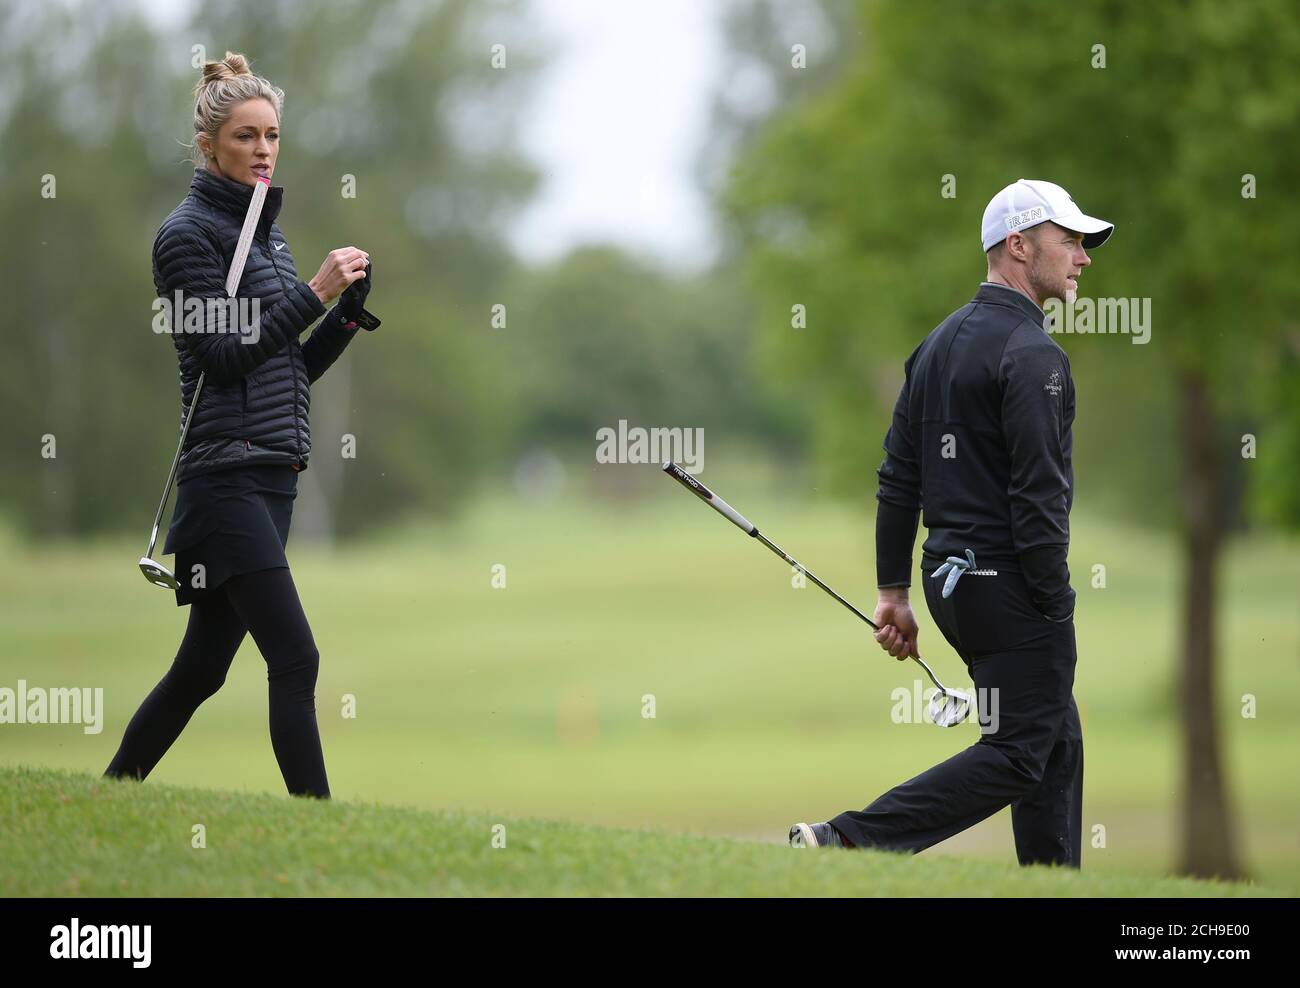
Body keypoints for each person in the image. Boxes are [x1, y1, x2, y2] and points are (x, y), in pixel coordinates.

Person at [789, 179, 1113, 867]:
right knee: (1019, 751)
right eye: (1071, 241)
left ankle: (1052, 884)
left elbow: (897, 479)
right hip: (1011, 587)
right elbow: (1039, 500)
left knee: (1054, 732)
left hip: (951, 585)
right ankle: (847, 839)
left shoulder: (935, 347)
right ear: (1019, 247)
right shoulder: (1035, 357)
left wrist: (895, 593)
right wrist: (1055, 603)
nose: (1083, 258)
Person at [104, 51, 376, 799]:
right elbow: (222, 360)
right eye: (247, 136)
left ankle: (113, 786)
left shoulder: (267, 237)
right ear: (209, 144)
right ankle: (320, 821)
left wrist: (344, 314)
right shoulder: (184, 235)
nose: (263, 150)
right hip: (223, 478)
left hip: (270, 474)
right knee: (295, 657)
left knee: (201, 669)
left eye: (273, 136)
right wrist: (314, 294)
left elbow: (283, 367)